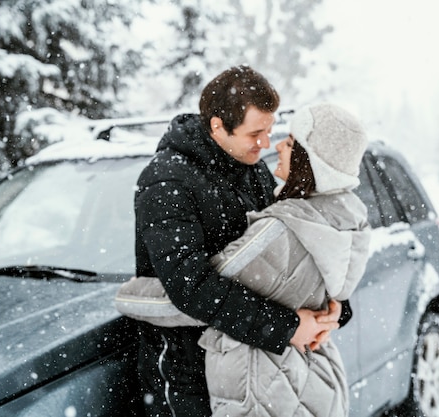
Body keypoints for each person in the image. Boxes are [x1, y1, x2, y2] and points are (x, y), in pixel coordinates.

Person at [133, 66, 347, 416]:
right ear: (218, 126)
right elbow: (191, 285)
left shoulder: (251, 170)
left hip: (248, 363)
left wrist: (329, 308)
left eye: (270, 130)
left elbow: (286, 256)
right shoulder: (166, 181)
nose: (265, 143)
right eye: (255, 133)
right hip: (189, 369)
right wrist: (287, 327)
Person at [197, 103, 371, 416]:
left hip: (264, 393)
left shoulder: (280, 232)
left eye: (290, 143)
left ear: (311, 163)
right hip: (314, 380)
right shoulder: (344, 221)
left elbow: (198, 293)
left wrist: (129, 297)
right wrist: (336, 313)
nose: (277, 146)